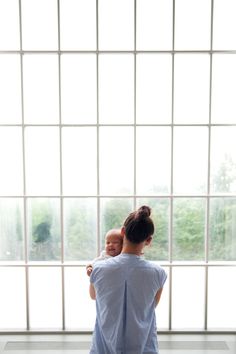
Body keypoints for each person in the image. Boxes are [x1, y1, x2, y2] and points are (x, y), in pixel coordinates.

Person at [89, 205, 167, 354]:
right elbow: (151, 306)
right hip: (143, 347)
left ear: (123, 232)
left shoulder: (98, 269)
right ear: (149, 240)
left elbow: (94, 296)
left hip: (104, 348)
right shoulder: (158, 273)